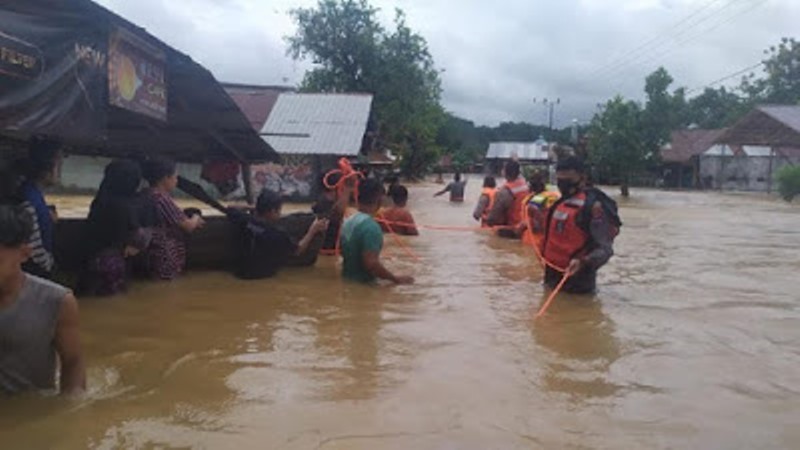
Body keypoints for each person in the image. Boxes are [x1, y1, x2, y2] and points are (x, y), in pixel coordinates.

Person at [0, 205, 85, 395]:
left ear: (24, 253)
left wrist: (72, 408)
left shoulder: (56, 301)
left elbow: (73, 361)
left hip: (25, 415)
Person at [540, 156, 620, 294]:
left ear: (582, 178)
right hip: (551, 276)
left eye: (568, 181)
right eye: (560, 181)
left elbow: (605, 249)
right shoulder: (559, 203)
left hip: (578, 282)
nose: (563, 186)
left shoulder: (594, 208)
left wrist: (584, 261)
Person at [79, 160, 151, 296]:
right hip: (112, 266)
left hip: (92, 263)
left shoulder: (100, 201)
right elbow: (139, 236)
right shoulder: (125, 207)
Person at [228, 190, 329, 280]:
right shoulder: (277, 234)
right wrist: (313, 230)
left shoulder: (242, 219)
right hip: (263, 278)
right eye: (279, 210)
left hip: (239, 274)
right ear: (272, 211)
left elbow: (230, 207)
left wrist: (257, 207)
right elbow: (298, 250)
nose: (280, 214)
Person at [340, 179, 414, 284]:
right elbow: (371, 264)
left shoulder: (348, 221)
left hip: (347, 281)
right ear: (379, 200)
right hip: (365, 287)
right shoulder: (371, 227)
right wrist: (395, 279)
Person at [141, 157, 204, 281]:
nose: (176, 181)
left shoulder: (145, 194)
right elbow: (188, 226)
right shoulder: (161, 199)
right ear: (165, 178)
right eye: (175, 177)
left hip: (149, 252)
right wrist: (196, 217)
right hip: (165, 255)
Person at [18, 137, 62, 279]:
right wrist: (48, 267)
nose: (59, 172)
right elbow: (33, 251)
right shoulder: (29, 199)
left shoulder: (32, 193)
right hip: (35, 272)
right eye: (58, 165)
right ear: (45, 170)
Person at [486, 160, 530, 231]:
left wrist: (487, 221)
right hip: (526, 226)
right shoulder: (526, 185)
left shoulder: (504, 192)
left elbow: (493, 218)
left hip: (512, 229)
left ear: (505, 172)